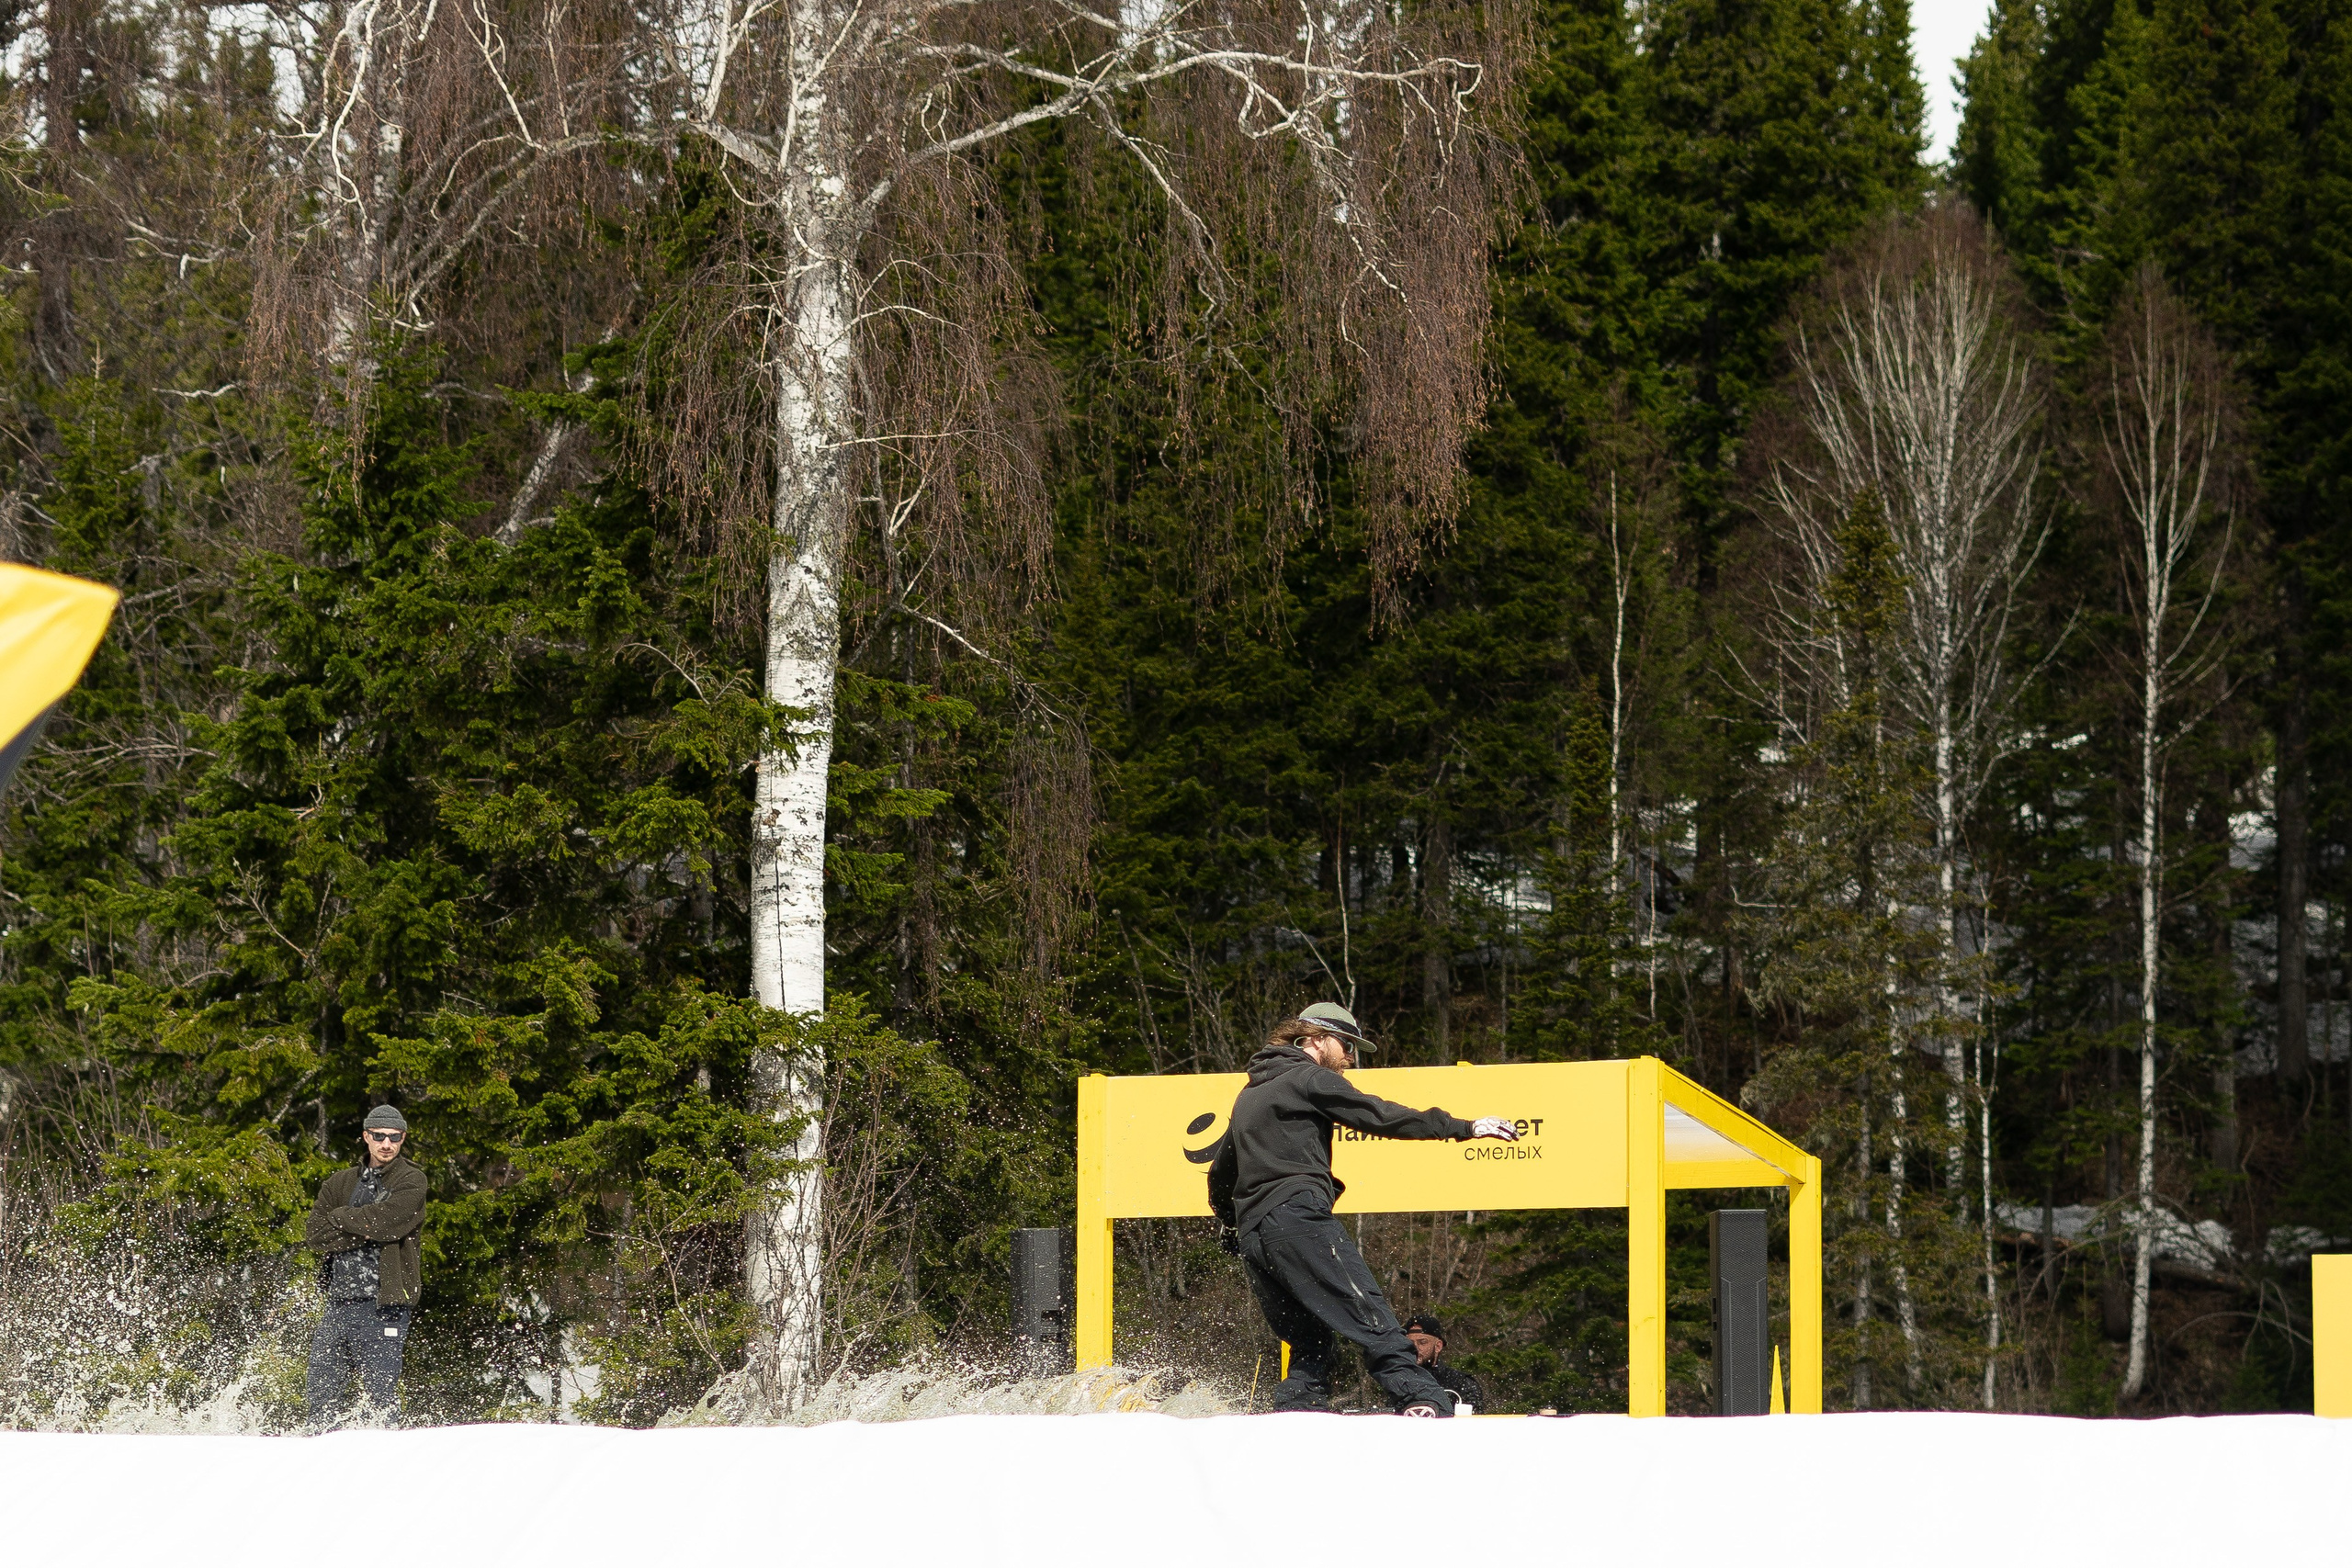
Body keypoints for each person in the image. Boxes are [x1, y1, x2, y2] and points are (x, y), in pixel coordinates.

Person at [1207, 1002, 1519, 1416]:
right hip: (1297, 1217)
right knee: (1366, 1310)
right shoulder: (1308, 1076)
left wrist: (1232, 1226)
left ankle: (1297, 1412)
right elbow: (1379, 1114)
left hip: (1255, 1237)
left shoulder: (1251, 1093)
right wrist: (1462, 1127)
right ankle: (1421, 1399)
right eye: (1347, 1045)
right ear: (1314, 1039)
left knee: (1309, 1337)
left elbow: (1220, 1175)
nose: (1351, 1058)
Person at [305, 1105, 426, 1428]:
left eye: (394, 1137)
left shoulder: (412, 1180)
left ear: (402, 1138)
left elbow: (389, 1222)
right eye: (379, 1136)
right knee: (320, 1395)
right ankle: (315, 1460)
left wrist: (341, 1218)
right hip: (338, 1303)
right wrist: (368, 1227)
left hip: (384, 1305)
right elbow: (316, 1235)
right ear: (366, 1137)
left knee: (381, 1396)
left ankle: (389, 1465)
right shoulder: (339, 1183)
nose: (386, 1144)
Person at [1402, 1314, 1486, 1414]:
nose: (1415, 1348)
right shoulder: (1400, 1382)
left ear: (1438, 1346)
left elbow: (1473, 1424)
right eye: (1410, 1343)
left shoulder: (1460, 1383)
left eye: (1422, 1342)